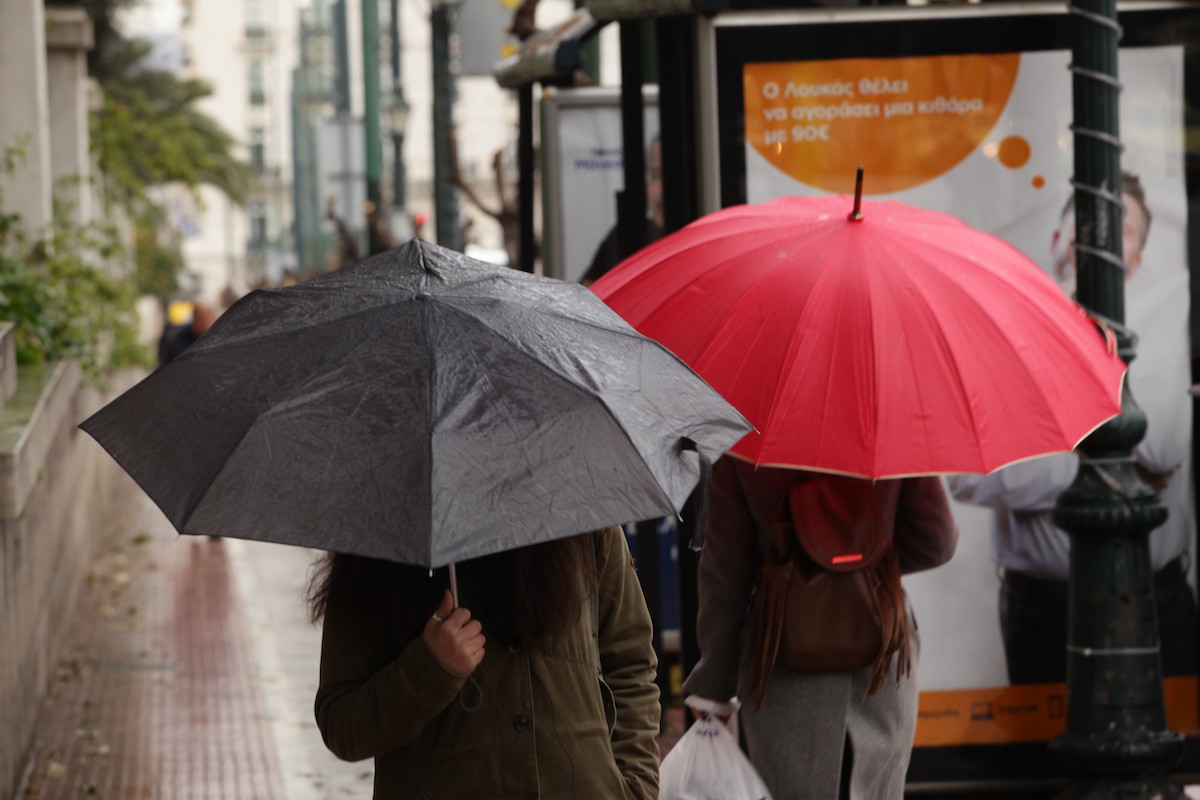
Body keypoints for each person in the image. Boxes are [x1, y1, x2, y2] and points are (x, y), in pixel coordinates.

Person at [946, 171, 1198, 684]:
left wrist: (1049, 434)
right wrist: (1113, 462)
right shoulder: (1005, 334)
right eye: (1085, 221)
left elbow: (1166, 449)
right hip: (1042, 612)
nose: (1099, 237)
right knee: (1041, 764)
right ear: (1058, 238)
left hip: (1157, 602)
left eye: (1120, 230)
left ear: (1137, 260)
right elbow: (973, 473)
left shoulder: (1162, 336)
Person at [307, 527, 661, 800]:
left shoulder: (580, 515)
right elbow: (343, 724)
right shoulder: (378, 538)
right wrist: (429, 669)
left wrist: (635, 786)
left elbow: (630, 661)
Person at [683, 458, 958, 800]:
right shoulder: (891, 430)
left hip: (782, 664)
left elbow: (726, 574)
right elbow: (936, 541)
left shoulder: (746, 442)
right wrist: (866, 574)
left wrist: (715, 687)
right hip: (881, 658)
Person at [580, 135, 664, 287]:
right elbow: (586, 289)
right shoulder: (624, 237)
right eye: (656, 175)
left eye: (669, 176)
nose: (661, 190)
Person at [157, 299, 216, 366]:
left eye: (207, 318)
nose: (204, 323)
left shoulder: (217, 338)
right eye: (200, 319)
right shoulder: (177, 341)